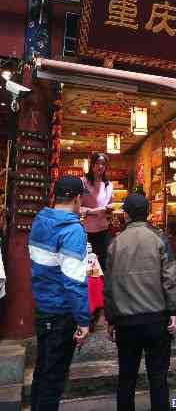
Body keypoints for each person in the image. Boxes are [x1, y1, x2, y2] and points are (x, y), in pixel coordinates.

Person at [104, 194, 176, 411]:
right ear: (147, 214)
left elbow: (108, 285)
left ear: (125, 214)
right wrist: (172, 310)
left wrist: (110, 318)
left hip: (126, 322)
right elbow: (169, 278)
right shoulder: (159, 238)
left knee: (126, 379)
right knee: (158, 378)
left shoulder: (115, 243)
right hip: (156, 319)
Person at [29, 176, 90, 411]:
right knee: (53, 380)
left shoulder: (40, 220)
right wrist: (84, 320)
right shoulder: (72, 230)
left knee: (42, 373)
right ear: (77, 198)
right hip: (61, 314)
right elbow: (74, 281)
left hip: (43, 307)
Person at [81, 152, 114, 271]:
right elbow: (78, 207)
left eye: (103, 164)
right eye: (97, 163)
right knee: (87, 264)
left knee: (104, 262)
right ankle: (89, 288)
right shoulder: (83, 182)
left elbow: (110, 206)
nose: (100, 166)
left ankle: (102, 288)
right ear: (92, 165)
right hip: (86, 230)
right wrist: (96, 211)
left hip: (103, 229)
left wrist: (108, 209)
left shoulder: (108, 185)